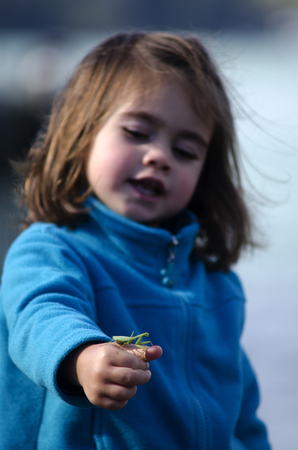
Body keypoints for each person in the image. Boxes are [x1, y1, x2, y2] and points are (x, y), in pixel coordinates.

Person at [0, 32, 271, 449]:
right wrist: (84, 356)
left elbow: (241, 410)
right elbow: (40, 317)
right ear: (83, 134)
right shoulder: (51, 249)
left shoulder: (217, 284)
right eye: (137, 131)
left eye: (185, 150)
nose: (159, 156)